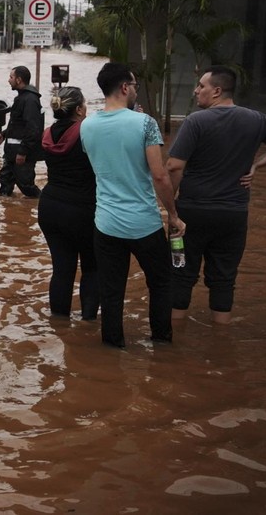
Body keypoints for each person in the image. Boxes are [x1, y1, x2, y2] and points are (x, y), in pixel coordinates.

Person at [79, 62, 184, 348]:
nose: (136, 89)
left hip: (106, 224)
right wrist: (173, 215)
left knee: (111, 290)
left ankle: (113, 347)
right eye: (134, 85)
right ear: (125, 87)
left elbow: (105, 161)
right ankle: (161, 344)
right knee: (160, 283)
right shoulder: (145, 123)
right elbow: (160, 175)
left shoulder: (86, 125)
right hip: (144, 224)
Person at [166, 66, 266, 324]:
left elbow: (173, 166)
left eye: (201, 86)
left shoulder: (195, 121)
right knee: (224, 279)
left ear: (216, 91)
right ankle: (221, 340)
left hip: (190, 216)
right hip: (234, 215)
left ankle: (171, 341)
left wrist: (171, 212)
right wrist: (257, 164)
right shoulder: (257, 120)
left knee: (180, 271)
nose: (196, 91)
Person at [38, 86, 97, 318]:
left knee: (62, 270)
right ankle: (88, 323)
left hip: (50, 206)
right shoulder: (88, 133)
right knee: (92, 268)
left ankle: (60, 324)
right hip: (83, 209)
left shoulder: (47, 133)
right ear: (80, 109)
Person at [0, 65, 43, 197]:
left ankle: (41, 202)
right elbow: (18, 124)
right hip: (11, 153)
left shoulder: (30, 100)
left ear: (19, 80)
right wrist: (3, 134)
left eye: (11, 77)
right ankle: (7, 215)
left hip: (21, 154)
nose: (9, 80)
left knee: (26, 186)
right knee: (5, 183)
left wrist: (23, 152)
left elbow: (33, 129)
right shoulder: (22, 98)